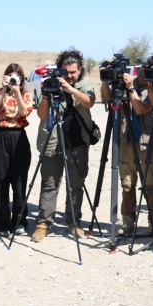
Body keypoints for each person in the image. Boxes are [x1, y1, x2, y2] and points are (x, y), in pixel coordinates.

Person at [31, 49, 96, 242]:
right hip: (52, 142)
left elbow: (90, 102)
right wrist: (45, 94)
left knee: (76, 184)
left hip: (77, 142)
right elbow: (42, 116)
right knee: (49, 184)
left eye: (73, 72)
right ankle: (43, 222)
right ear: (59, 70)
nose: (69, 76)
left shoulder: (84, 83)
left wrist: (71, 90)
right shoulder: (52, 84)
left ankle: (74, 221)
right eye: (65, 72)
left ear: (80, 70)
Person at [101, 69, 153, 235]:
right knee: (127, 183)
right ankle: (128, 220)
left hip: (145, 141)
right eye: (140, 71)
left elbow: (141, 109)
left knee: (150, 183)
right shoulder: (124, 84)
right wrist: (106, 79)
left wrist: (132, 88)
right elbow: (106, 98)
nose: (142, 74)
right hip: (126, 140)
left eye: (146, 71)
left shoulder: (150, 89)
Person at [0, 64, 34, 237]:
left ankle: (20, 221)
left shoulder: (26, 95)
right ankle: (2, 222)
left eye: (17, 77)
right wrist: (5, 88)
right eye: (10, 76)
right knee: (1, 181)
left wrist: (17, 92)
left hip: (18, 137)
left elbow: (23, 112)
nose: (13, 80)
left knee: (19, 183)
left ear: (22, 79)